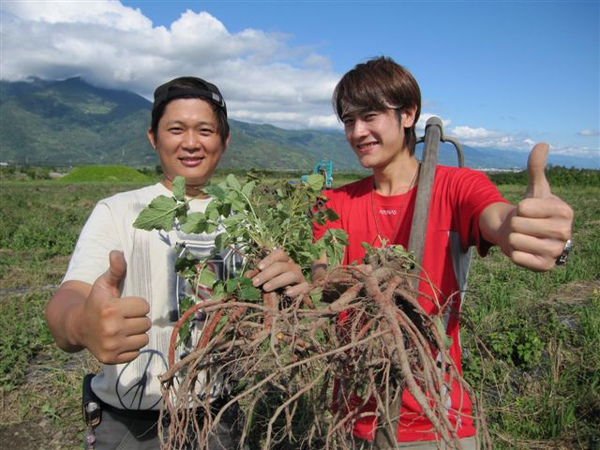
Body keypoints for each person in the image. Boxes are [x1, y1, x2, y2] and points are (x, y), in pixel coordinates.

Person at [311, 56, 574, 449]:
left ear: (408, 114)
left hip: (436, 418)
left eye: (370, 116)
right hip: (352, 419)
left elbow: (497, 219)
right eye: (349, 121)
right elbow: (321, 277)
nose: (357, 132)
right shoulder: (332, 202)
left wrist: (522, 228)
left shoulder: (457, 187)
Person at [45, 76, 307, 450]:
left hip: (217, 417)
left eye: (205, 130)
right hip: (129, 426)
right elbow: (67, 299)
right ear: (153, 137)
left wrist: (291, 293)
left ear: (224, 140)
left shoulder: (245, 220)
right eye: (176, 129)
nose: (190, 142)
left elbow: (268, 306)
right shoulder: (117, 211)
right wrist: (79, 324)